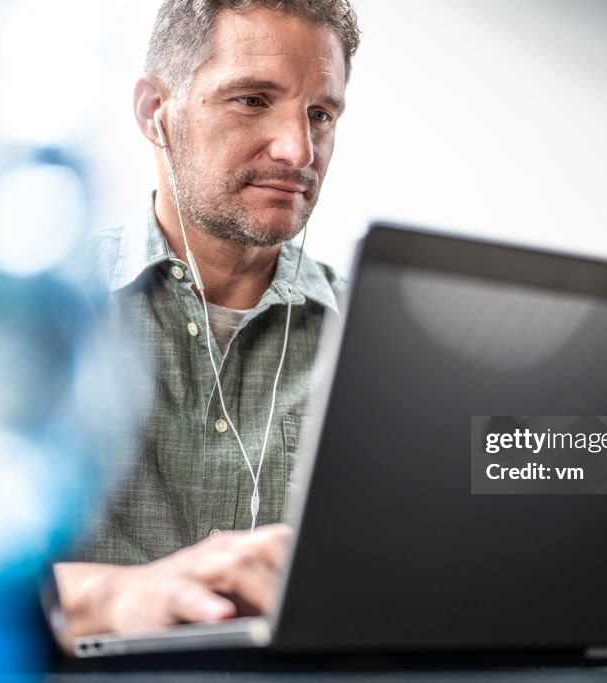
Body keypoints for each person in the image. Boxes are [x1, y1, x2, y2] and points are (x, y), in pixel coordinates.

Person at [52, 0, 359, 641]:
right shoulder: (38, 316)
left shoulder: (376, 344)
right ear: (154, 114)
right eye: (252, 100)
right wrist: (115, 596)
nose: (297, 148)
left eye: (321, 114)